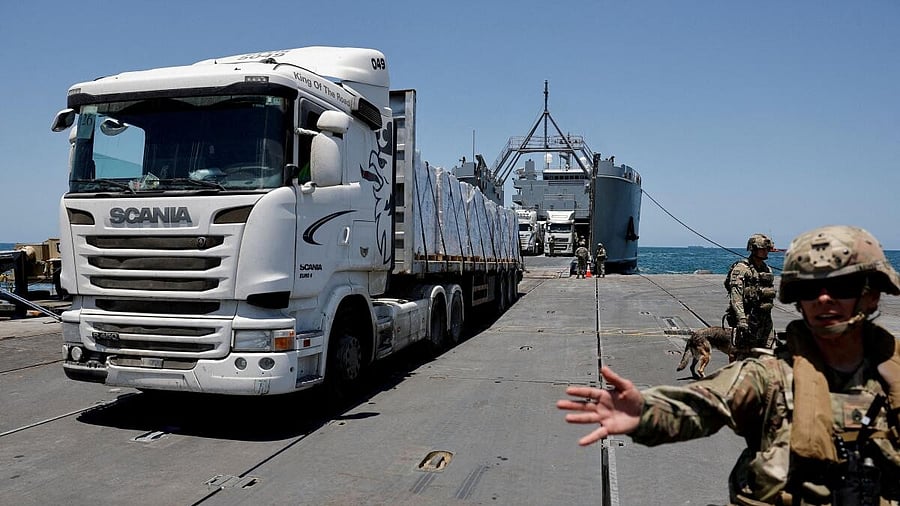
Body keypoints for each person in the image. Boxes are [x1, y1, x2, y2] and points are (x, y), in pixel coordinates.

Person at [557, 225, 900, 504]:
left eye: (840, 286)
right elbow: (703, 403)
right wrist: (645, 412)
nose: (824, 299)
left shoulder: (894, 375)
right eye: (810, 290)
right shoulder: (769, 375)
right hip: (748, 326)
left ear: (871, 295)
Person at [726, 234, 777, 358]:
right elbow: (736, 296)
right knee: (745, 358)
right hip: (749, 320)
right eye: (763, 249)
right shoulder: (742, 269)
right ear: (754, 249)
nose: (766, 252)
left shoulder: (767, 269)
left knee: (769, 355)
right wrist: (741, 319)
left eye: (767, 249)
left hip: (765, 321)